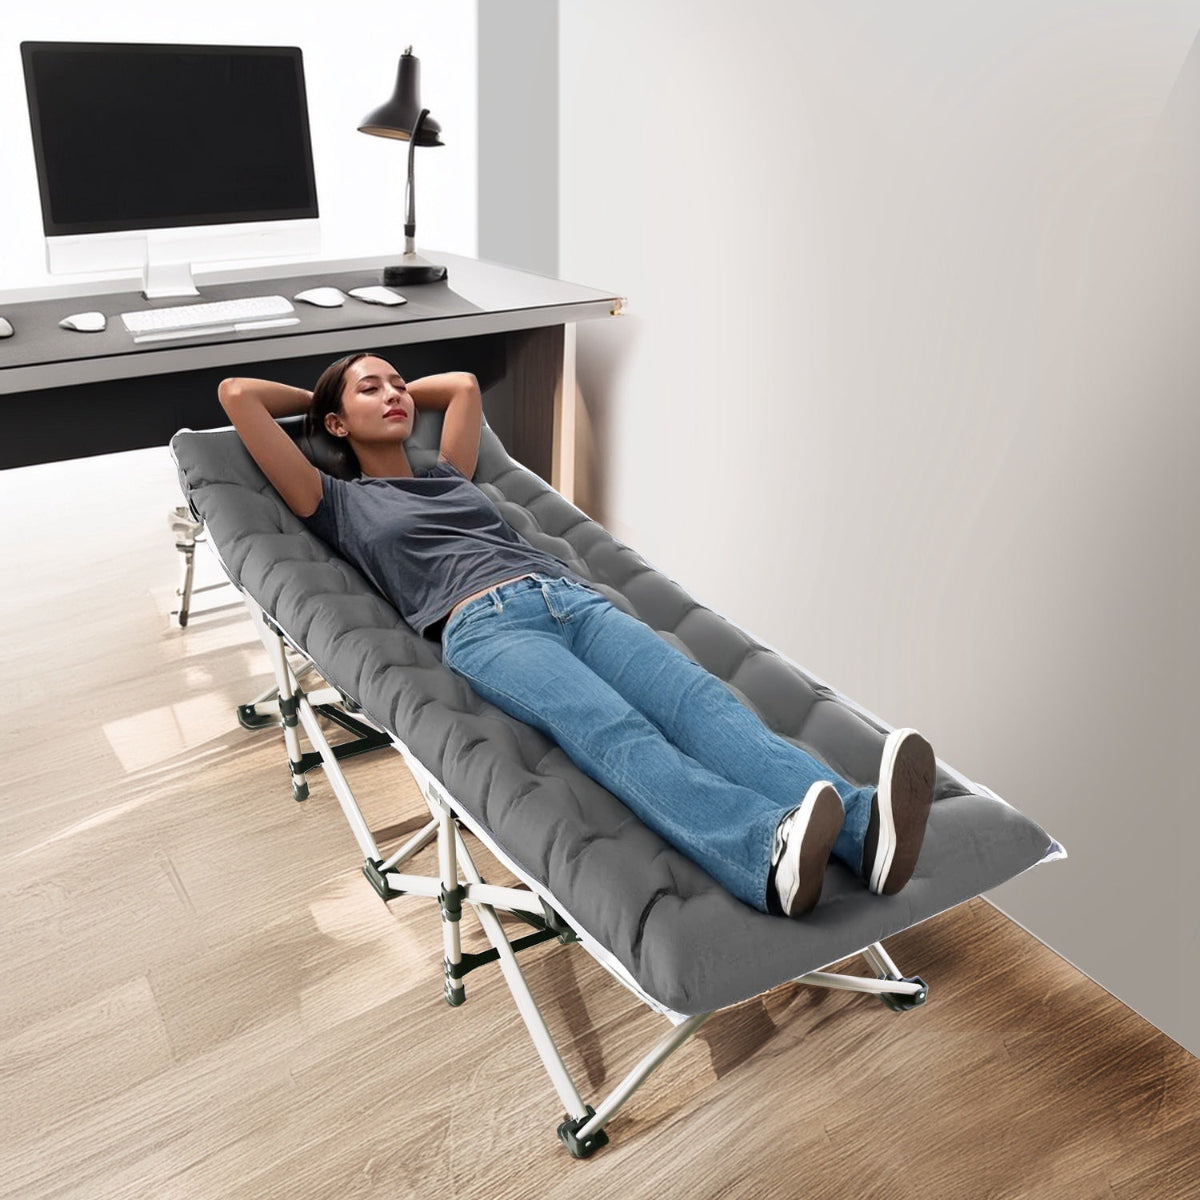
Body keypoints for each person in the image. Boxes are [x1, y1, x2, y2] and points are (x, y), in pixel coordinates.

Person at [217, 353, 936, 918]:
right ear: (335, 425)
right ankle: (762, 854)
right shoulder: (336, 502)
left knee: (701, 705)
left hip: (570, 598)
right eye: (372, 390)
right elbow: (238, 398)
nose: (397, 394)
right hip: (481, 626)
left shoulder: (449, 474)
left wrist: (366, 389)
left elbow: (463, 386)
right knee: (616, 731)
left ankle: (863, 829)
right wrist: (320, 400)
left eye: (400, 383)